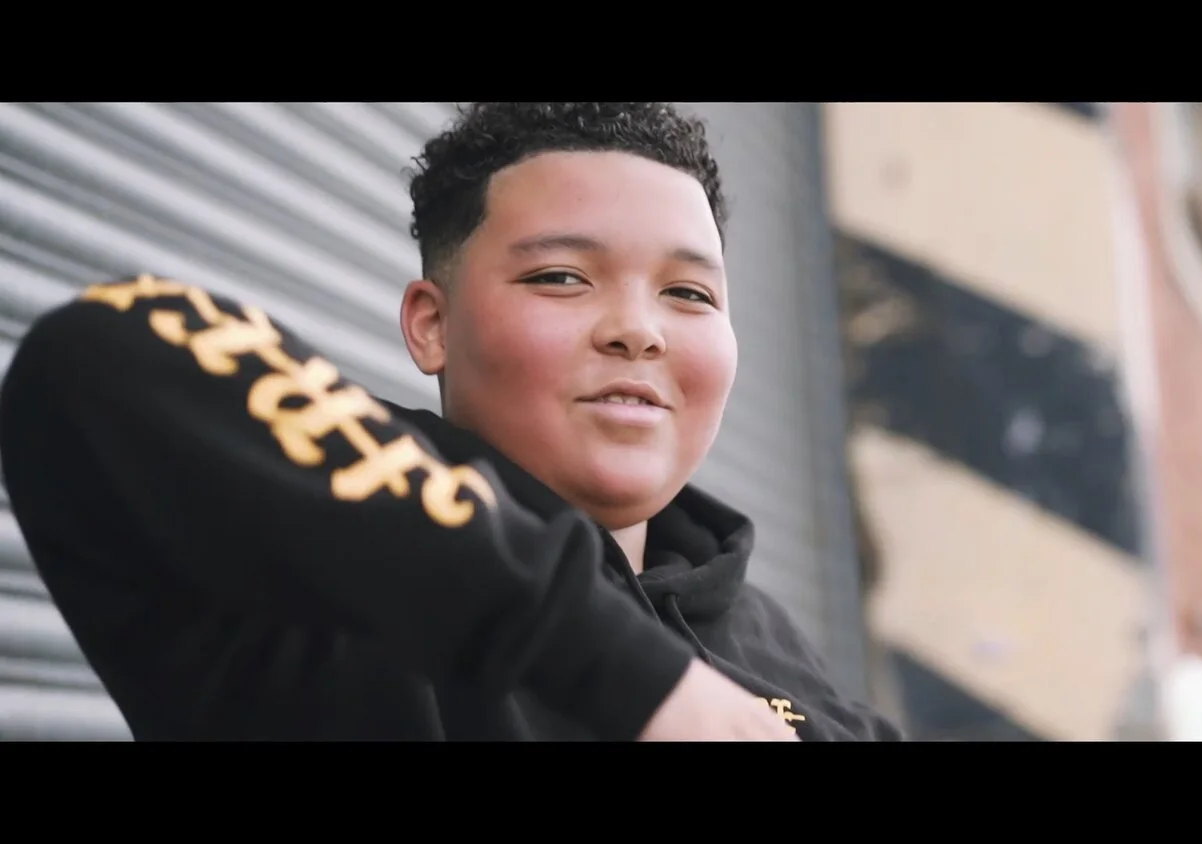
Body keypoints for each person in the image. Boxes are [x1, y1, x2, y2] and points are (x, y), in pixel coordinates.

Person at [0, 102, 902, 741]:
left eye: (690, 293)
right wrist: (642, 684)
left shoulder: (775, 650)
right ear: (432, 324)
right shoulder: (322, 594)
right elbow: (107, 343)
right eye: (560, 277)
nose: (639, 329)